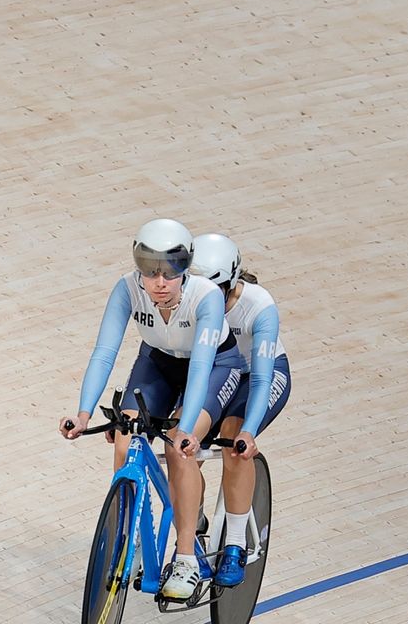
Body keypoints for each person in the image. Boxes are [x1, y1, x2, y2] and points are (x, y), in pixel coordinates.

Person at [59, 218, 248, 601]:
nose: (159, 282)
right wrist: (83, 413)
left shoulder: (206, 296)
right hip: (159, 361)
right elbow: (105, 352)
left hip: (213, 367)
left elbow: (199, 368)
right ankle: (125, 536)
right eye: (150, 270)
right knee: (124, 433)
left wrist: (186, 427)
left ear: (186, 267)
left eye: (171, 270)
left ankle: (185, 560)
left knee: (180, 448)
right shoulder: (127, 289)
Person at [187, 233, 291, 587]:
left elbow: (261, 379)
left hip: (259, 376)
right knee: (182, 448)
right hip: (219, 373)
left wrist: (248, 431)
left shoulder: (259, 305)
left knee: (233, 442)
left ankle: (233, 544)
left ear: (231, 283)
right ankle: (193, 528)